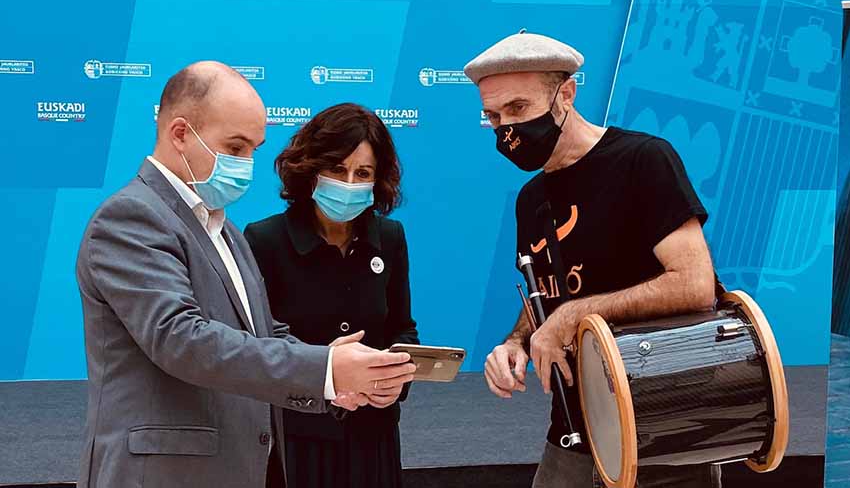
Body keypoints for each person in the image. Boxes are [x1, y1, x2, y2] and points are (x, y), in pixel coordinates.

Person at [75, 62, 416, 488]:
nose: (247, 165)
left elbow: (262, 333)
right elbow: (180, 338)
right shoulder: (132, 218)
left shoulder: (224, 230)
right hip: (165, 473)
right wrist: (325, 365)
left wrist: (331, 382)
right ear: (180, 134)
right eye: (235, 148)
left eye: (254, 149)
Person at [464, 32, 723, 488]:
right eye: (493, 116)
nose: (507, 129)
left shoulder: (643, 160)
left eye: (518, 109)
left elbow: (694, 284)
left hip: (664, 432)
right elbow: (551, 294)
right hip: (573, 430)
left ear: (566, 93)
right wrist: (516, 343)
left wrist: (572, 317)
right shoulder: (531, 198)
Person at [244, 103, 419, 488]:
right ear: (311, 169)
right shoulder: (264, 240)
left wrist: (396, 383)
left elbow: (403, 330)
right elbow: (257, 346)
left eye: (363, 174)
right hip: (298, 437)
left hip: (374, 437)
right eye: (338, 170)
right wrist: (325, 372)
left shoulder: (389, 239)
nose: (350, 183)